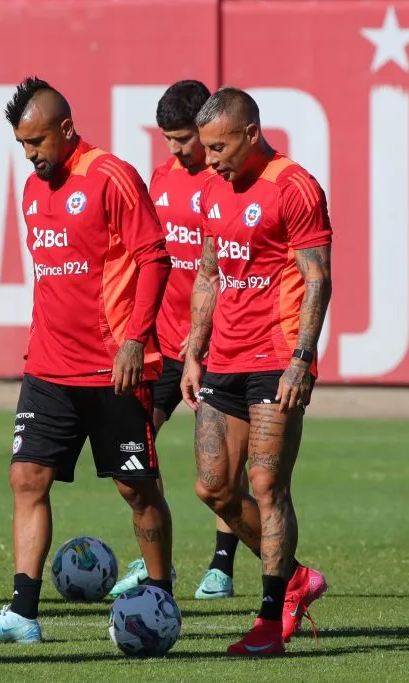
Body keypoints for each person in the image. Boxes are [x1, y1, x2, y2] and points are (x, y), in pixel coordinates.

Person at [0, 77, 174, 645]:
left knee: (137, 489)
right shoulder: (35, 189)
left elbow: (155, 258)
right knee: (27, 478)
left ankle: (160, 599)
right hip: (49, 368)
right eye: (22, 145)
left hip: (113, 369)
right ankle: (23, 613)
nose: (30, 155)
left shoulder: (110, 175)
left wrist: (135, 339)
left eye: (37, 142)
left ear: (66, 129)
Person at [181, 87, 330, 655]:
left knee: (269, 487)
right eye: (205, 148)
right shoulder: (214, 189)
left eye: (219, 147)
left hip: (278, 356)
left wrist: (302, 358)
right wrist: (194, 350)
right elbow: (208, 274)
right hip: (225, 356)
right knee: (214, 489)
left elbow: (317, 278)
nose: (210, 158)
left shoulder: (294, 187)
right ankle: (293, 576)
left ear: (250, 132)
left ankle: (270, 622)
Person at [109, 80, 241, 602]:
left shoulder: (227, 181)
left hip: (217, 345)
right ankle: (153, 558)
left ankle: (222, 566)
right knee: (135, 459)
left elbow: (228, 269)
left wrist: (205, 338)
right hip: (164, 346)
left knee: (223, 467)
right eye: (168, 139)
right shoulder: (160, 178)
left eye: (184, 137)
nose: (177, 150)